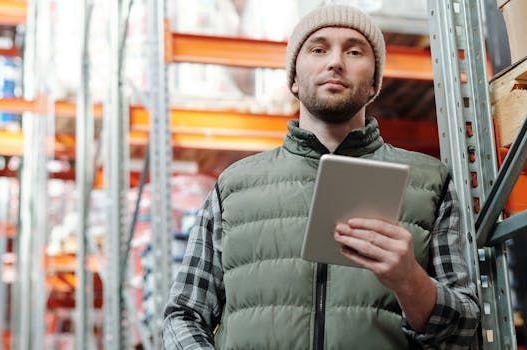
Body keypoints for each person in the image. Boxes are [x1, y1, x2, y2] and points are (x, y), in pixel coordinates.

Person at [163, 4, 480, 349]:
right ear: (293, 79)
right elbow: (184, 314)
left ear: (373, 84)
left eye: (354, 51)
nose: (335, 62)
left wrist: (410, 279)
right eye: (318, 49)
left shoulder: (430, 183)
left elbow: (464, 329)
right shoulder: (233, 187)